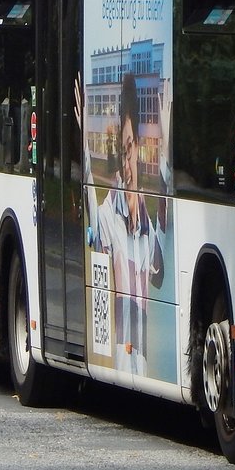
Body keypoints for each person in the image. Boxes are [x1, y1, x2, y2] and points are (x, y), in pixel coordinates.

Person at [92, 73, 166, 375]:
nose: (128, 161)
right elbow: (96, 231)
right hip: (122, 348)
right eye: (123, 152)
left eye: (131, 148)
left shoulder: (149, 223)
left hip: (142, 353)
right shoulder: (109, 211)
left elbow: (159, 275)